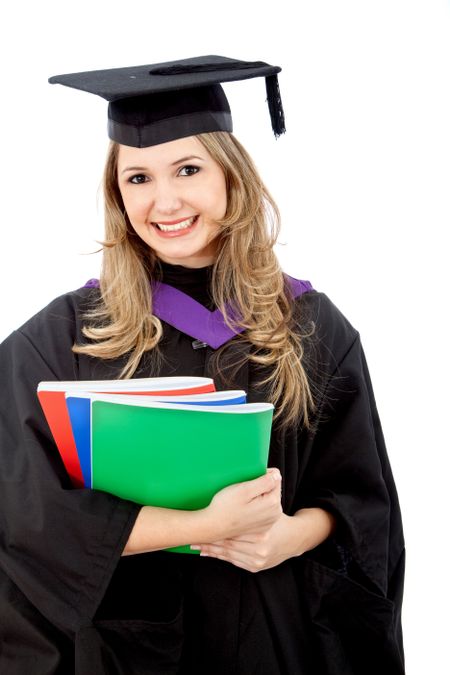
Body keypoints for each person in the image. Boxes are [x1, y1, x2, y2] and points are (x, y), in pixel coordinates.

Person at [0, 56, 405, 674]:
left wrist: (284, 537)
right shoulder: (66, 336)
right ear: (117, 194)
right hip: (123, 649)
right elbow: (20, 511)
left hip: (277, 635)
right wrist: (202, 525)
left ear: (230, 178)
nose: (164, 200)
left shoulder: (314, 327)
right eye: (137, 178)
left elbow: (361, 501)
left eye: (187, 169)